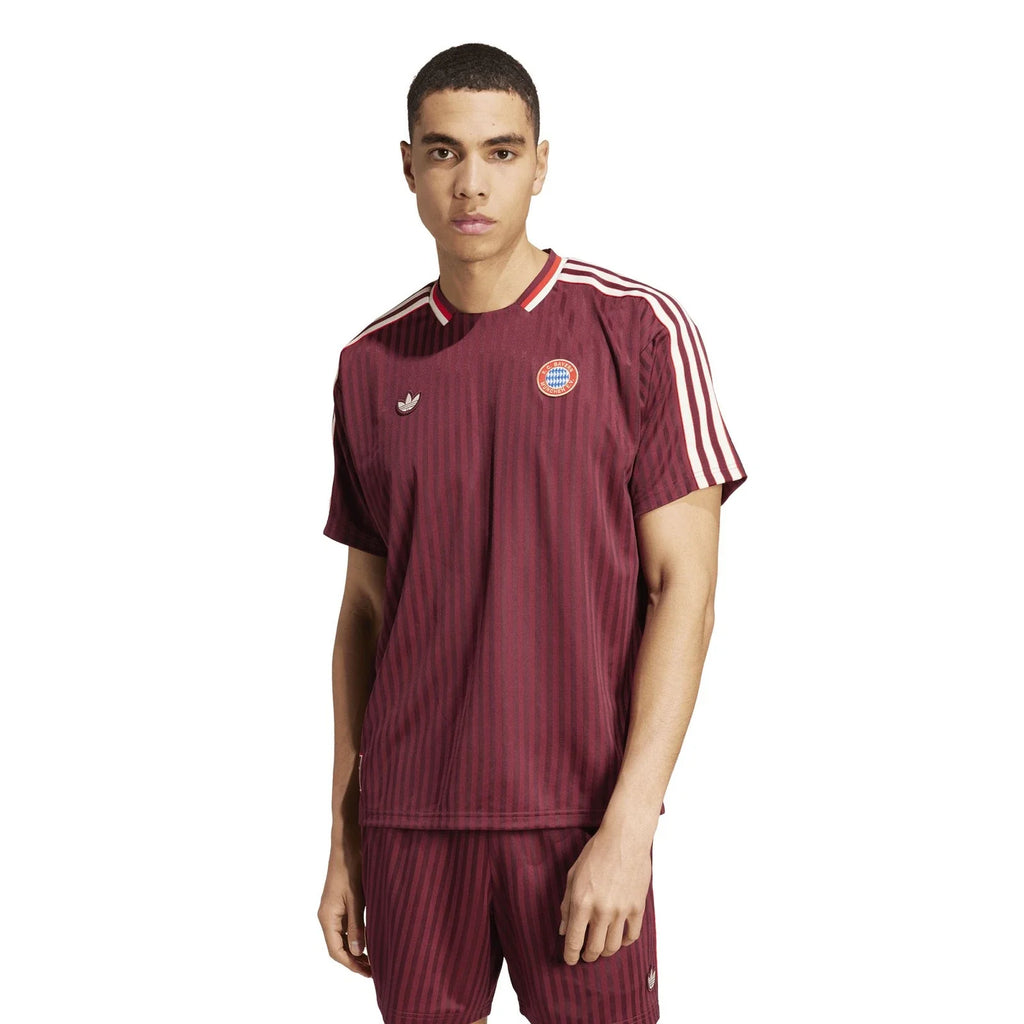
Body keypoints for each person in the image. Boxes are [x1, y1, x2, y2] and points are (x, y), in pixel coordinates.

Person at [317, 42, 748, 1024]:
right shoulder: (369, 364)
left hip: (576, 816)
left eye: (501, 152)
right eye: (444, 152)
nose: (471, 183)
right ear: (408, 166)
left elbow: (684, 592)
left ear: (541, 164)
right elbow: (366, 614)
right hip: (412, 821)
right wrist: (344, 835)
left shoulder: (636, 330)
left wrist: (629, 828)